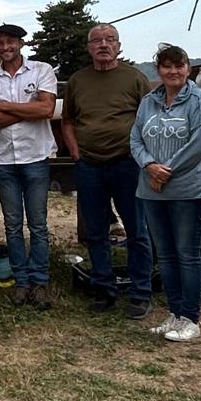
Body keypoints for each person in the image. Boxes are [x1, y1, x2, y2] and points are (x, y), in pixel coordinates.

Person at [61, 24, 154, 320]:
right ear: (89, 47)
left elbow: (150, 120)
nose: (103, 45)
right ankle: (103, 288)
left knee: (137, 230)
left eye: (109, 40)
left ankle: (141, 292)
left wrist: (143, 155)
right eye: (97, 41)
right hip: (89, 164)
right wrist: (75, 150)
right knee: (97, 231)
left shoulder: (135, 78)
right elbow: (67, 120)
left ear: (118, 45)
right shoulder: (78, 80)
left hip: (127, 163)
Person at [129, 45, 201, 344]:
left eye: (179, 66)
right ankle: (175, 314)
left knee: (187, 255)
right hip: (151, 190)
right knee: (164, 256)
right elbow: (136, 137)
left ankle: (191, 317)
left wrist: (166, 171)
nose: (173, 71)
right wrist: (149, 166)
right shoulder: (148, 101)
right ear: (158, 70)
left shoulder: (199, 99)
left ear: (188, 68)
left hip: (188, 191)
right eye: (166, 66)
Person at [0, 23, 59, 308]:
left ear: (21, 43)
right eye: (0, 43)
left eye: (10, 41)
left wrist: (5, 106)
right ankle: (21, 282)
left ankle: (40, 282)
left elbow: (46, 109)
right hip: (2, 160)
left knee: (38, 224)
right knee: (12, 225)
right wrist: (27, 110)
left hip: (35, 156)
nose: (5, 47)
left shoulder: (41, 70)